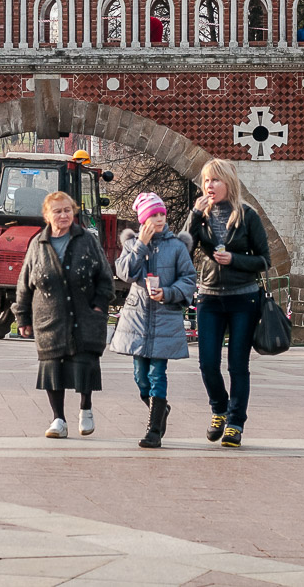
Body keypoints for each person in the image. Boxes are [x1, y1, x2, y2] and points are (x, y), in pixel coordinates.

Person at [182, 158, 270, 448]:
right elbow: (184, 248)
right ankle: (219, 409)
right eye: (206, 180)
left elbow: (264, 261)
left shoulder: (247, 216)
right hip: (209, 297)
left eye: (215, 180)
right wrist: (194, 215)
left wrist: (234, 259)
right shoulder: (202, 215)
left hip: (244, 298)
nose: (210, 186)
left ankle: (235, 423)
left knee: (237, 365)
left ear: (228, 183)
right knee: (207, 363)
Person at [15, 191, 114, 438]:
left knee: (84, 364)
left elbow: (105, 278)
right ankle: (58, 419)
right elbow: (24, 284)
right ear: (47, 216)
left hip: (85, 316)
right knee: (53, 368)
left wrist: (99, 306)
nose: (63, 215)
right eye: (57, 211)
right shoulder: (38, 244)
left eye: (67, 210)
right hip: (50, 319)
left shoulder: (87, 241)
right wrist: (23, 318)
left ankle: (85, 409)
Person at [112, 192, 197, 449]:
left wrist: (168, 293)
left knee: (158, 374)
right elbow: (125, 273)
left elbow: (188, 279)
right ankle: (161, 409)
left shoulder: (177, 247)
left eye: (162, 214)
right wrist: (141, 245)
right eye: (153, 215)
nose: (159, 219)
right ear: (143, 219)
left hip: (164, 318)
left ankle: (154, 430)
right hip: (138, 319)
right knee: (141, 377)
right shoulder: (132, 244)